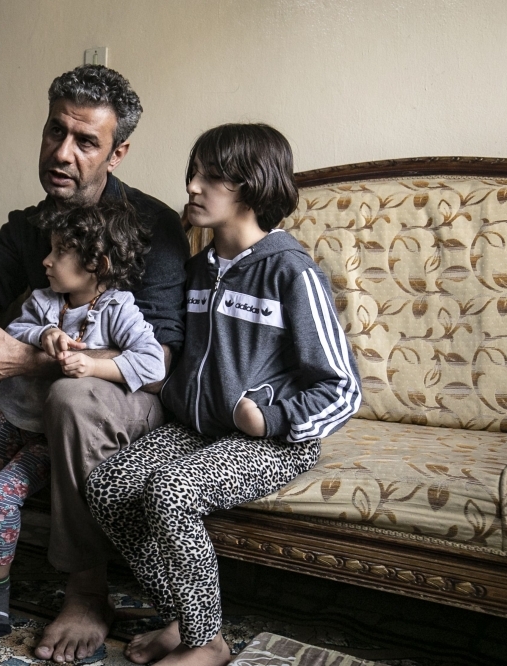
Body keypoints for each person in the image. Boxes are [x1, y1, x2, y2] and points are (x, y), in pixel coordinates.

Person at [0, 64, 190, 663]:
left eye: (85, 141)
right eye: (55, 132)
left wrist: (32, 359)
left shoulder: (152, 228)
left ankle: (86, 589)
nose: (62, 152)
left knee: (70, 398)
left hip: (119, 388)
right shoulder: (29, 226)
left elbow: (160, 360)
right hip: (34, 382)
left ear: (117, 152)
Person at [85, 123, 362, 666]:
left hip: (271, 441)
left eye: (211, 177)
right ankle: (186, 621)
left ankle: (206, 644)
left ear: (253, 188)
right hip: (196, 428)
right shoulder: (196, 271)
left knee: (171, 491)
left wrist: (274, 418)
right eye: (193, 172)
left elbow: (343, 388)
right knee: (109, 487)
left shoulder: (290, 273)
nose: (192, 186)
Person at [0, 201, 166, 643]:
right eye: (48, 249)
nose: (46, 261)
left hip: (46, 438)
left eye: (59, 252)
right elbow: (19, 331)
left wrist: (91, 366)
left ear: (98, 264)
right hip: (7, 418)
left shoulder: (119, 309)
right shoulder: (44, 301)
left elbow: (153, 364)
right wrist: (44, 335)